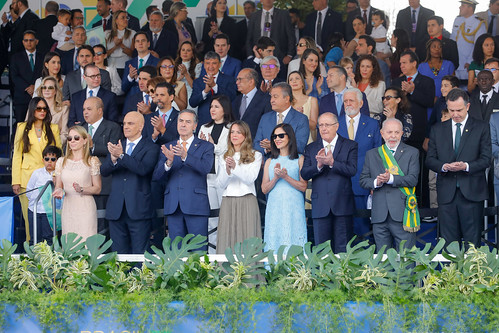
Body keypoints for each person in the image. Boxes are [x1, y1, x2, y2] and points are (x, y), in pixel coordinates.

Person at [426, 88, 492, 247]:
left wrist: (466, 166)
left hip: (471, 192)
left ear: (468, 106)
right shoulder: (437, 129)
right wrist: (443, 166)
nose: (455, 114)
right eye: (451, 110)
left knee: (472, 242)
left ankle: (472, 272)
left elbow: (486, 159)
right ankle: (451, 272)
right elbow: (430, 160)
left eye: (459, 110)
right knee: (449, 243)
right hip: (446, 193)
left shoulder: (481, 127)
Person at [153, 110, 214, 252]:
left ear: (195, 126)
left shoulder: (206, 146)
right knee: (176, 251)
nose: (183, 124)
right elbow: (156, 176)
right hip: (173, 204)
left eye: (188, 122)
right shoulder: (168, 146)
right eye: (181, 121)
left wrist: (185, 156)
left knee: (198, 251)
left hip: (196, 204)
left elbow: (205, 168)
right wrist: (168, 162)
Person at [101, 111, 159, 254]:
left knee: (140, 253)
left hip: (139, 208)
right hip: (116, 209)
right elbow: (104, 171)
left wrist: (121, 156)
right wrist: (114, 159)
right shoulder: (117, 145)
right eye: (124, 123)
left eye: (130, 123)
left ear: (140, 127)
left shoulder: (151, 147)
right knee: (118, 254)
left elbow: (143, 169)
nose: (125, 127)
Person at [359, 118, 420, 251]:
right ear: (382, 133)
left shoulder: (412, 152)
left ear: (402, 133)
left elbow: (413, 179)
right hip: (379, 215)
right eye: (389, 132)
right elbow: (363, 180)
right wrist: (377, 181)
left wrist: (391, 178)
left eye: (397, 132)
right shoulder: (372, 154)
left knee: (406, 258)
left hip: (403, 213)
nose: (393, 136)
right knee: (383, 260)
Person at [301, 112, 358, 252]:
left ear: (337, 126)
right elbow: (304, 173)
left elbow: (352, 170)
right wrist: (318, 166)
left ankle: (342, 275)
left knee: (342, 249)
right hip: (320, 204)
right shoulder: (311, 148)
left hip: (342, 204)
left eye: (327, 125)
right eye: (321, 125)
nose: (323, 128)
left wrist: (332, 162)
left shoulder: (350, 145)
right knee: (321, 249)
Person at [12, 97, 61, 241]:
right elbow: (17, 155)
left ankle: (51, 254)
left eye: (44, 109)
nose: (42, 111)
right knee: (29, 219)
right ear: (32, 110)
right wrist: (15, 180)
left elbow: (59, 154)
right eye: (39, 108)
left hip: (49, 178)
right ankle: (31, 252)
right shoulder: (22, 127)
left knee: (50, 219)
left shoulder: (53, 128)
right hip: (27, 179)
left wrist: (58, 177)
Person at [337, 89, 381, 242]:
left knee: (363, 229)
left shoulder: (372, 124)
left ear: (361, 103)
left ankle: (365, 263)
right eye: (345, 101)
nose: (348, 104)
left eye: (351, 101)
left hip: (363, 184)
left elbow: (378, 156)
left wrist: (374, 182)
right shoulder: (335, 123)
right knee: (342, 229)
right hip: (339, 185)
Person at [216, 121, 262, 253]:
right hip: (228, 199)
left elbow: (250, 178)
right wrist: (228, 171)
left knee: (247, 238)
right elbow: (220, 184)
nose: (234, 135)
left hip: (247, 199)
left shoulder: (255, 155)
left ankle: (249, 273)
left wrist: (235, 168)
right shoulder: (224, 156)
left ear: (245, 136)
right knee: (227, 239)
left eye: (238, 132)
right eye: (232, 132)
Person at [262, 124, 307, 251]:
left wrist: (286, 177)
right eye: (274, 136)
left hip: (294, 207)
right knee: (274, 237)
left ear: (290, 137)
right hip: (274, 207)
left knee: (293, 236)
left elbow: (303, 186)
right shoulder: (269, 161)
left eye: (281, 135)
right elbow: (264, 189)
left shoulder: (300, 159)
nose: (277, 139)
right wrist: (276, 178)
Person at [52, 126, 102, 241]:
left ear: (85, 140)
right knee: (69, 243)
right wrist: (59, 190)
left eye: (76, 138)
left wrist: (82, 189)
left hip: (85, 206)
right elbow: (59, 185)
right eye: (69, 138)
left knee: (87, 241)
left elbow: (98, 188)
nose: (72, 141)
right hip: (68, 206)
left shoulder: (92, 161)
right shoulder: (61, 161)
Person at [198, 95, 233, 252]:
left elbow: (226, 151)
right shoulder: (204, 127)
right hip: (208, 176)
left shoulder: (232, 128)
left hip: (223, 177)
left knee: (225, 215)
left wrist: (211, 145)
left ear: (224, 109)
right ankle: (213, 253)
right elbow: (200, 149)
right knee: (212, 217)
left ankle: (227, 252)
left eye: (216, 107)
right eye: (211, 106)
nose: (212, 109)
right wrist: (207, 146)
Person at [82, 97, 121, 234]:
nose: (85, 112)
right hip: (82, 184)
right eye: (84, 109)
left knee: (101, 225)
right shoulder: (80, 129)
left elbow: (114, 150)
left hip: (103, 185)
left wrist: (93, 147)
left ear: (100, 111)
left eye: (89, 109)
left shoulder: (113, 127)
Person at [392, 50, 435, 149]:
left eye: (404, 63)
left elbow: (429, 102)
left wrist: (412, 91)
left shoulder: (427, 81)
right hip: (399, 130)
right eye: (400, 63)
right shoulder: (396, 82)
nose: (401, 66)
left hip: (418, 130)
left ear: (414, 63)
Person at [254, 82, 310, 156]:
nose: (271, 100)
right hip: (268, 163)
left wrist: (273, 146)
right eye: (271, 96)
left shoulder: (301, 119)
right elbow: (256, 144)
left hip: (289, 164)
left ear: (287, 99)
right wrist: (266, 149)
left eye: (275, 96)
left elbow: (299, 146)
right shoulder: (265, 118)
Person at [189, 51, 237, 128]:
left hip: (224, 122)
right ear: (204, 65)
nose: (210, 66)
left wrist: (214, 86)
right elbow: (192, 102)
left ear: (219, 64)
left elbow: (232, 97)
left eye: (214, 63)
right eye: (208, 63)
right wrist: (205, 92)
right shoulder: (198, 82)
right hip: (204, 122)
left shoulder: (229, 79)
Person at [26, 145, 62, 245]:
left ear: (58, 161)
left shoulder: (60, 175)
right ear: (43, 160)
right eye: (47, 159)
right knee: (34, 238)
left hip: (50, 212)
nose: (49, 162)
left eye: (53, 159)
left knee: (49, 237)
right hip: (35, 210)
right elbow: (29, 191)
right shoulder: (37, 174)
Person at [245, 0, 295, 65]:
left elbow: (291, 36)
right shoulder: (254, 16)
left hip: (279, 57)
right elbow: (249, 38)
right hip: (259, 56)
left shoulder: (283, 14)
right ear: (261, 0)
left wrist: (289, 55)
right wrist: (250, 56)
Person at [11, 30, 43, 122]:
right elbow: (14, 76)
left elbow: (45, 74)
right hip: (22, 97)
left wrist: (35, 87)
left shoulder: (43, 56)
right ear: (22, 42)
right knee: (21, 125)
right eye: (26, 40)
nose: (28, 43)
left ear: (36, 41)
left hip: (38, 96)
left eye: (31, 40)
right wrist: (28, 87)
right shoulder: (16, 57)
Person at [451, 0, 487, 80]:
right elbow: (452, 40)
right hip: (456, 60)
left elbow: (479, 44)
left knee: (468, 87)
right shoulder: (458, 19)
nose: (460, 7)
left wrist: (471, 61)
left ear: (470, 8)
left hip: (468, 62)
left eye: (463, 5)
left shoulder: (478, 23)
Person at [232, 68, 272, 138]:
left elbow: (267, 125)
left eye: (240, 79)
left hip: (255, 144)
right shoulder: (236, 100)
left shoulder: (265, 99)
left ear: (251, 82)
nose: (237, 82)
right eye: (237, 79)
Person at [121, 32, 159, 100]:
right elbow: (123, 88)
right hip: (132, 101)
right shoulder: (129, 63)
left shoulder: (157, 62)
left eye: (143, 41)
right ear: (134, 45)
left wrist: (138, 79)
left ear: (148, 44)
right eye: (137, 41)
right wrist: (130, 77)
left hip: (150, 99)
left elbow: (158, 84)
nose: (140, 43)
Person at [33, 77, 69, 145]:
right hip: (35, 148)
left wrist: (53, 147)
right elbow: (27, 129)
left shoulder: (63, 109)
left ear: (55, 91)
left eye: (50, 88)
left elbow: (65, 133)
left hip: (54, 149)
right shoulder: (33, 107)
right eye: (44, 87)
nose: (46, 90)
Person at [288, 71, 319, 143]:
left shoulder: (312, 100)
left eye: (297, 78)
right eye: (291, 80)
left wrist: (301, 117)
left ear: (302, 83)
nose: (294, 81)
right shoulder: (285, 102)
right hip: (289, 142)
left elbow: (313, 126)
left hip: (307, 141)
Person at [175, 41, 200, 107]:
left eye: (188, 50)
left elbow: (195, 87)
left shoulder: (198, 66)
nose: (185, 52)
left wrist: (186, 74)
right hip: (177, 96)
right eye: (183, 50)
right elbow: (171, 85)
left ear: (192, 54)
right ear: (179, 53)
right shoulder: (173, 66)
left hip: (191, 97)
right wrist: (179, 78)